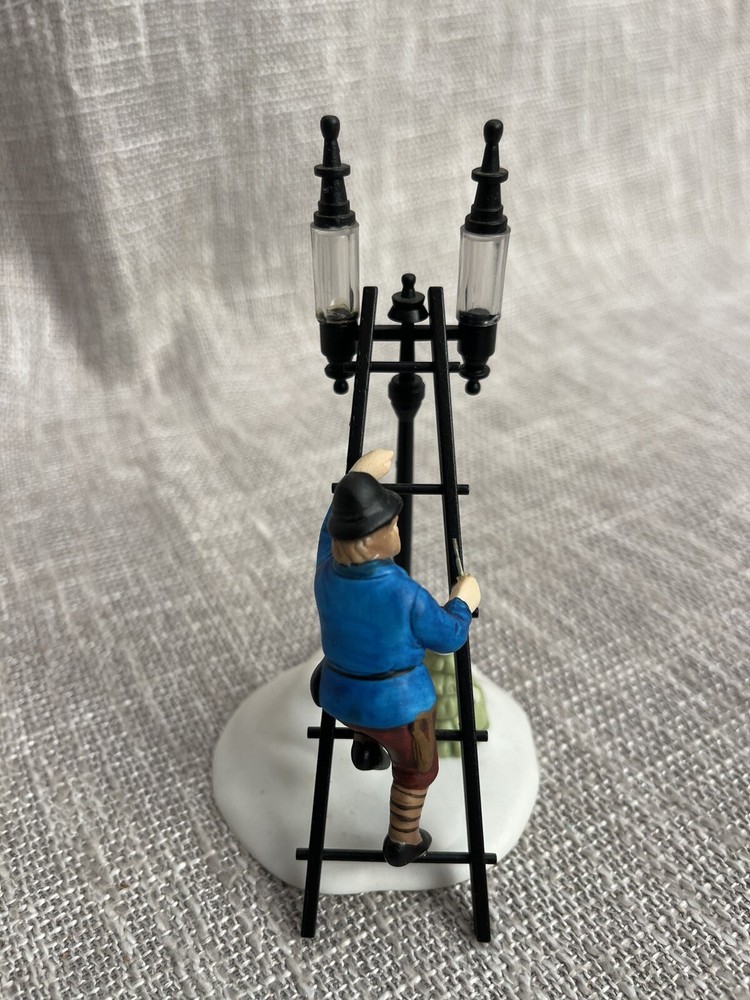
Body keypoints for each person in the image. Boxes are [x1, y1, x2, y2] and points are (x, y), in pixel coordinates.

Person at [312, 449, 481, 866]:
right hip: (396, 709)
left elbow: (326, 535)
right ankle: (404, 838)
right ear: (374, 539)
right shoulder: (403, 593)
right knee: (418, 768)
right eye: (392, 524)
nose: (397, 528)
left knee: (362, 708)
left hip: (335, 694)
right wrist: (463, 601)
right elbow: (449, 638)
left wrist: (354, 481)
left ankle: (365, 745)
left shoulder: (327, 571)